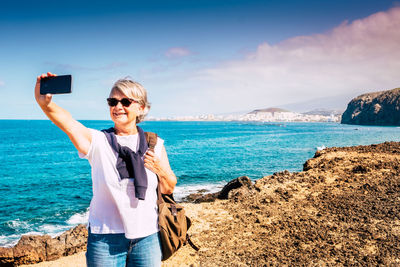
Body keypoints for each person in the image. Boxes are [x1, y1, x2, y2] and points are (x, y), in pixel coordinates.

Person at [34, 72, 177, 267]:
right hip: (105, 239)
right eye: (113, 101)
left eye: (126, 102)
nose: (118, 107)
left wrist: (161, 170)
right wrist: (46, 104)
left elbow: (168, 189)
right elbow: (68, 123)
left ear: (141, 107)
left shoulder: (155, 144)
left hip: (147, 236)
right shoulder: (98, 141)